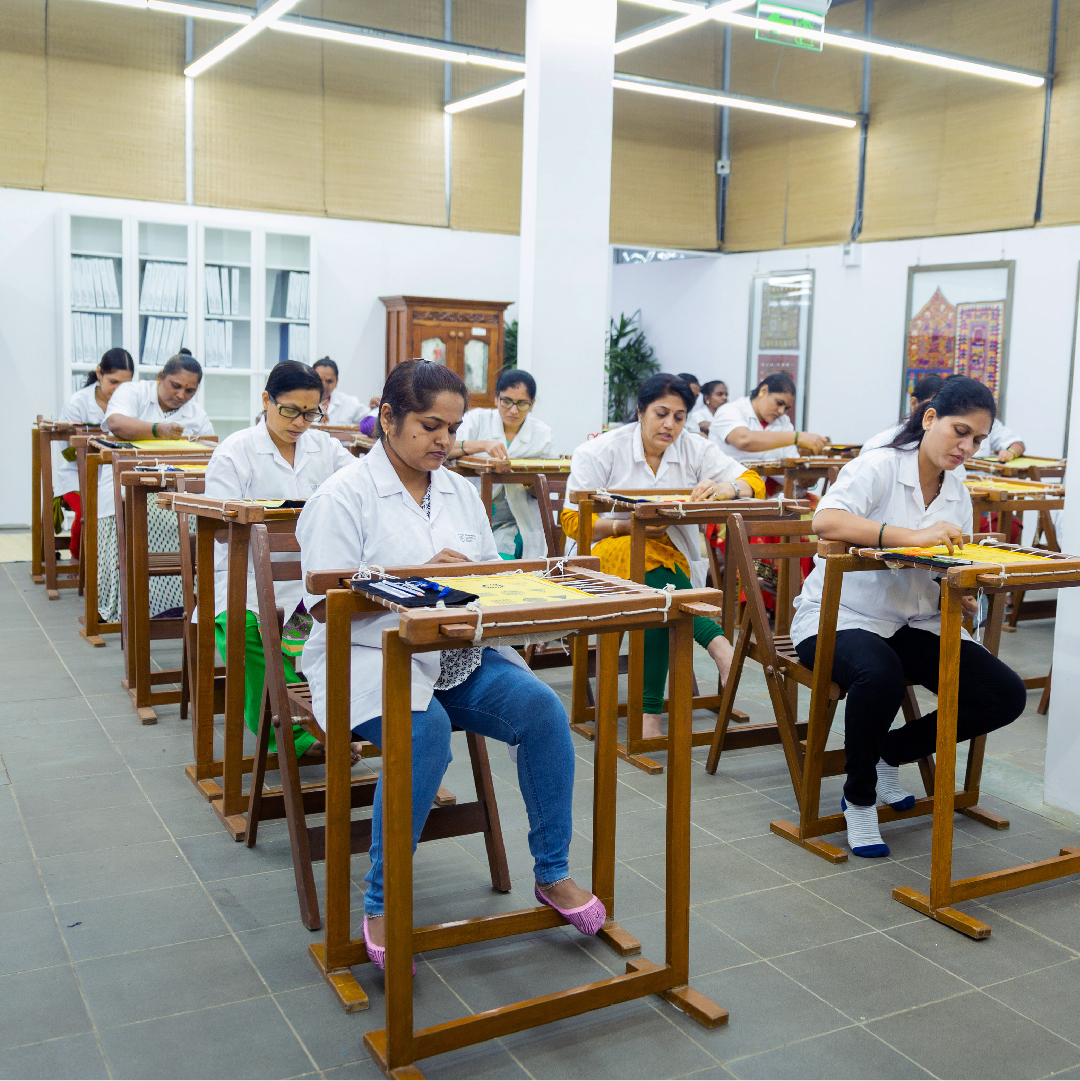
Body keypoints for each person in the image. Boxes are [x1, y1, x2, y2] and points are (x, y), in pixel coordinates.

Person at [298, 359, 605, 965]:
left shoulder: (461, 491)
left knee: (542, 709)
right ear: (388, 418)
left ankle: (552, 870)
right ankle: (384, 901)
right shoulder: (344, 497)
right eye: (430, 426)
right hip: (365, 655)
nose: (444, 441)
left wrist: (503, 592)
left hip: (452, 652)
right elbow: (323, 610)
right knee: (425, 731)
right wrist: (419, 581)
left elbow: (485, 579)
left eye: (454, 429)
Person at [789, 376, 1026, 858]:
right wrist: (911, 538)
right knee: (880, 673)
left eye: (978, 439)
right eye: (960, 431)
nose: (967, 446)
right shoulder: (878, 466)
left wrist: (958, 591)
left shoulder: (957, 491)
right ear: (930, 418)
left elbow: (945, 562)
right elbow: (826, 521)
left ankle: (889, 752)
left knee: (1005, 694)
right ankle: (858, 800)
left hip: (911, 622)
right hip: (839, 617)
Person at [562, 373, 765, 740]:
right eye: (661, 413)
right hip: (601, 552)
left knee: (656, 595)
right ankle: (719, 648)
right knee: (648, 572)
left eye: (679, 416)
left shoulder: (694, 447)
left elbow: (755, 481)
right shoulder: (601, 450)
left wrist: (726, 487)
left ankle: (648, 716)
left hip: (672, 557)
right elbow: (572, 520)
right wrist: (624, 527)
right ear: (640, 411)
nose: (670, 425)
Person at [203, 361, 354, 761]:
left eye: (311, 413)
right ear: (266, 400)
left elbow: (360, 494)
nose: (301, 422)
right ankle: (291, 737)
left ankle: (330, 722)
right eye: (290, 410)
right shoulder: (235, 452)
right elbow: (221, 529)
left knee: (335, 626)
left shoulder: (328, 448)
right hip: (246, 578)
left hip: (307, 583)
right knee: (253, 636)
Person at [99, 351, 215, 623]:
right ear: (160, 377)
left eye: (190, 390)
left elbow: (210, 450)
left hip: (172, 485)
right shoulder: (133, 392)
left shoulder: (196, 414)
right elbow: (116, 423)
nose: (181, 395)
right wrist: (158, 430)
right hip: (124, 482)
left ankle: (180, 603)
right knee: (134, 516)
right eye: (175, 386)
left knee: (192, 519)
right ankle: (129, 607)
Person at [447, 369, 553, 558]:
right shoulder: (477, 420)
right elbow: (445, 447)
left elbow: (548, 482)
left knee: (509, 558)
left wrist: (529, 482)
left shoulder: (541, 434)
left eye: (522, 404)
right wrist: (482, 445)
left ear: (532, 404)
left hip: (519, 520)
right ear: (496, 399)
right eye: (506, 401)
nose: (513, 410)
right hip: (474, 512)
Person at [55, 348, 134, 559]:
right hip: (77, 476)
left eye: (125, 384)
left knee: (132, 511)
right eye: (113, 382)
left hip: (114, 476)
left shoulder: (131, 403)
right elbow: (68, 453)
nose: (118, 389)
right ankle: (77, 558)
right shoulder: (78, 403)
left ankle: (111, 562)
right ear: (99, 373)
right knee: (86, 513)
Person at [709, 372, 828, 462]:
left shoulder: (783, 422)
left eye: (786, 408)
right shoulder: (729, 411)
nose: (781, 411)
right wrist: (797, 437)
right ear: (764, 391)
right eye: (779, 403)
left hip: (770, 492)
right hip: (726, 489)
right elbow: (744, 440)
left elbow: (792, 464)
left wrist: (812, 466)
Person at [860, 375, 946, 456]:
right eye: (933, 407)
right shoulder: (879, 443)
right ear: (914, 403)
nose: (939, 415)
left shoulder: (948, 448)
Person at [313, 357, 369, 426]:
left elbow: (372, 419)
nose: (323, 385)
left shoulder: (349, 403)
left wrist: (378, 406)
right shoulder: (301, 401)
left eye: (329, 381)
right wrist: (310, 412)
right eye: (319, 380)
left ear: (336, 382)